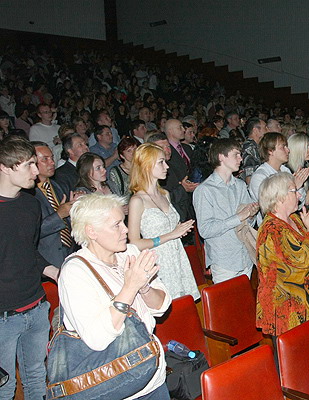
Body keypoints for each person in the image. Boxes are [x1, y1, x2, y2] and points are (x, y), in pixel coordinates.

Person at [60, 194, 172, 399]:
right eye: (116, 225)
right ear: (91, 231)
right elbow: (97, 338)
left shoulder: (129, 252)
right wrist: (130, 286)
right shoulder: (75, 271)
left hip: (152, 375)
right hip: (115, 383)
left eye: (123, 222)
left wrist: (144, 287)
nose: (126, 230)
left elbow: (162, 306)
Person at [0, 136, 59, 399]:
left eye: (36, 164)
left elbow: (28, 251)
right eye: (28, 165)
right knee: (5, 387)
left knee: (37, 378)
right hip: (3, 315)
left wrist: (53, 271)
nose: (36, 172)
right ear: (5, 167)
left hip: (36, 306)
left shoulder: (30, 203)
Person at [255, 172, 309, 335]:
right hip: (285, 310)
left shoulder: (295, 219)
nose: (299, 195)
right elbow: (302, 264)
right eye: (294, 191)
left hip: (305, 301)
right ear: (280, 197)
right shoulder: (272, 229)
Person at [128, 143, 200, 300]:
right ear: (146, 165)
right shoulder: (137, 201)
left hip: (177, 257)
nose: (166, 166)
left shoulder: (165, 194)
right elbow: (134, 243)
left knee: (185, 305)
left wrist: (180, 229)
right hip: (158, 262)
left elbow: (170, 229)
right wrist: (171, 235)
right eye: (161, 162)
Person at [193, 138, 259, 283]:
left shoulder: (240, 185)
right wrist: (239, 217)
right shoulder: (205, 190)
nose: (241, 159)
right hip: (224, 261)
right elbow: (205, 230)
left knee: (245, 298)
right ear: (221, 157)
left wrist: (251, 215)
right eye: (236, 154)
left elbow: (248, 222)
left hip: (245, 257)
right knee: (225, 298)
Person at [32, 141, 77, 267]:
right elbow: (31, 231)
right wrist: (59, 215)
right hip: (47, 260)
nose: (52, 162)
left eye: (52, 158)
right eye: (45, 159)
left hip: (70, 253)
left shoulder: (58, 185)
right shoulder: (28, 194)